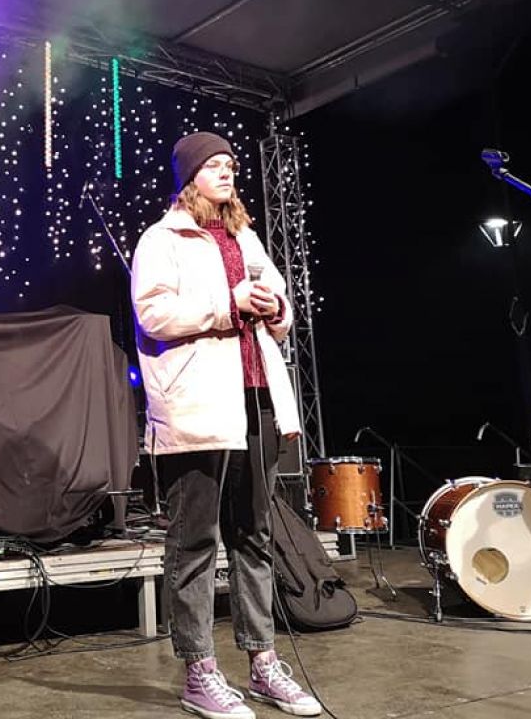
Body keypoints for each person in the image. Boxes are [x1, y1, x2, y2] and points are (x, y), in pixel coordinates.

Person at [132, 131, 322, 719]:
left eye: (230, 165)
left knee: (254, 535)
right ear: (189, 177)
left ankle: (263, 664)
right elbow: (153, 314)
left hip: (255, 399)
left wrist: (275, 307)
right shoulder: (162, 238)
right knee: (194, 541)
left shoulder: (245, 235)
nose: (226, 172)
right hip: (197, 405)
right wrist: (227, 304)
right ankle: (199, 672)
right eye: (213, 165)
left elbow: (278, 300)